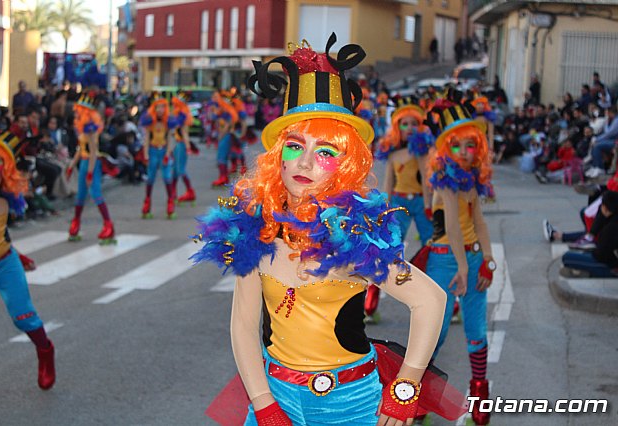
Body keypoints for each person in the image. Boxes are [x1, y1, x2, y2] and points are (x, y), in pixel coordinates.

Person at [193, 34, 458, 426]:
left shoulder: (356, 235)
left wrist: (405, 389)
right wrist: (263, 404)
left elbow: (430, 300)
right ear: (278, 155)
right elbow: (244, 323)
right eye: (296, 146)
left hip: (350, 403)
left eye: (326, 152)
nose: (306, 162)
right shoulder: (256, 228)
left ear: (346, 164)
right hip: (275, 395)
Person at [424, 94, 496, 425]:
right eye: (458, 146)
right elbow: (451, 224)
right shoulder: (446, 181)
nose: (466, 153)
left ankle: (480, 404)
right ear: (447, 147)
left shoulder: (470, 180)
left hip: (471, 259)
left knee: (476, 331)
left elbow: (478, 222)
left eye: (471, 145)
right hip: (444, 261)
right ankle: (418, 403)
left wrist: (488, 261)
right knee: (433, 335)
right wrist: (466, 266)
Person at [0, 133, 55, 390]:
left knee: (24, 317)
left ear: (6, 168)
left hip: (3, 261)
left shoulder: (7, 198)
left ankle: (45, 351)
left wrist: (18, 256)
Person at [368, 96, 435, 323]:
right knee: (389, 249)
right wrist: (384, 208)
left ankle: (439, 298)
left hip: (419, 202)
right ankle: (370, 304)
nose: (409, 128)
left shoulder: (423, 152)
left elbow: (427, 181)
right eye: (404, 124)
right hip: (398, 202)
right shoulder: (394, 153)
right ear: (397, 126)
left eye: (413, 124)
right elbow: (388, 181)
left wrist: (428, 206)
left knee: (432, 246)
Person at [65, 95, 115, 244]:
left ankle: (108, 225)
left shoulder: (91, 129)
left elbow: (93, 152)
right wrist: (71, 166)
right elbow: (81, 150)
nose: (76, 113)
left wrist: (90, 173)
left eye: (79, 111)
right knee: (80, 195)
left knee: (96, 193)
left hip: (93, 163)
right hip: (85, 163)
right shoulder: (82, 129)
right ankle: (76, 223)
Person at [559, 190, 618, 277]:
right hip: (609, 259)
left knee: (567, 257)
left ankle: (592, 273)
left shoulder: (611, 227)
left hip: (610, 266)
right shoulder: (612, 220)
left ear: (605, 208)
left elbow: (601, 255)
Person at [139, 94, 176, 219]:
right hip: (153, 151)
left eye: (162, 107)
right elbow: (147, 138)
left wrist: (168, 153)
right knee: (150, 178)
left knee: (167, 177)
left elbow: (171, 138)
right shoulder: (150, 121)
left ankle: (170, 204)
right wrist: (145, 154)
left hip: (163, 151)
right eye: (157, 107)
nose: (160, 110)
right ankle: (147, 203)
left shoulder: (168, 122)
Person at [169, 92, 197, 203]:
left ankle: (190, 192)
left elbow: (184, 132)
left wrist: (188, 147)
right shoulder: (179, 114)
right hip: (177, 144)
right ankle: (173, 193)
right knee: (175, 170)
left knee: (181, 170)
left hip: (181, 145)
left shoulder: (183, 114)